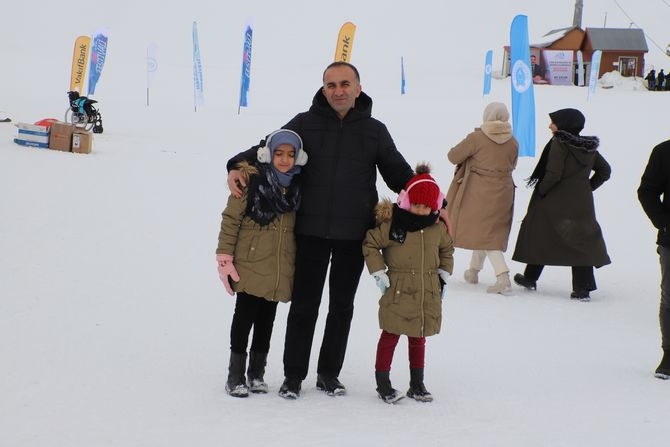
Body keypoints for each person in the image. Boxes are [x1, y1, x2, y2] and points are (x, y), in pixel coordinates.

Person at [226, 61, 414, 399]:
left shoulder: (374, 131)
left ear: (358, 88)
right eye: (331, 85)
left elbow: (398, 173)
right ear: (323, 89)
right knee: (304, 306)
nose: (338, 91)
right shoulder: (305, 124)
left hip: (354, 234)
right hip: (309, 231)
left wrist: (434, 202)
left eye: (345, 84)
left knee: (341, 308)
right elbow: (268, 147)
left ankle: (329, 374)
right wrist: (234, 166)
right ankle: (293, 376)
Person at [216, 129, 307, 397]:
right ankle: (235, 375)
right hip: (250, 263)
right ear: (268, 154)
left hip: (278, 266)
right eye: (279, 153)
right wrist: (224, 257)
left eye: (291, 155)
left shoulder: (297, 187)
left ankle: (256, 373)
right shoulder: (249, 181)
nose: (284, 159)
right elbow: (231, 219)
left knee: (267, 320)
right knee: (244, 318)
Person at [362, 164, 454, 403]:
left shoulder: (436, 228)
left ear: (434, 206)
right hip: (398, 291)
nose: (420, 210)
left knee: (418, 337)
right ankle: (383, 383)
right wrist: (378, 272)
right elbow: (370, 244)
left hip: (427, 291)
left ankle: (417, 384)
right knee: (390, 335)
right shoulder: (393, 225)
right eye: (416, 204)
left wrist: (444, 272)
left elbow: (448, 249)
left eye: (426, 207)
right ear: (406, 202)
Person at [512, 108, 611, 301]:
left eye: (553, 122)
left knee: (542, 231)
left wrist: (541, 191)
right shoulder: (588, 147)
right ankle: (582, 288)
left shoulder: (560, 143)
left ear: (564, 124)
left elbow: (553, 174)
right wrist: (587, 187)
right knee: (581, 240)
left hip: (554, 199)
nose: (550, 125)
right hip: (581, 203)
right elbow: (605, 170)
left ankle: (531, 277)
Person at [445, 102, 518, 294]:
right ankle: (473, 271)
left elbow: (453, 156)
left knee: (488, 234)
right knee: (489, 230)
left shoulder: (477, 138)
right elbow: (513, 163)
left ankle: (503, 277)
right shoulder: (513, 141)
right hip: (504, 192)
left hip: (477, 192)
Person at [637, 139, 670, 380]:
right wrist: (663, 222)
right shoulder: (664, 151)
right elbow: (647, 191)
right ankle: (669, 355)